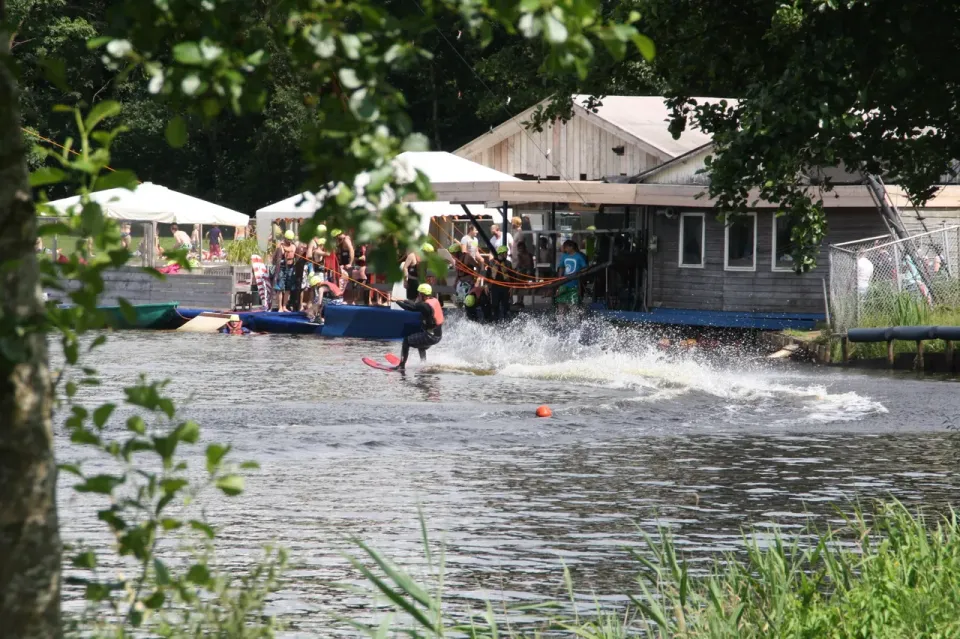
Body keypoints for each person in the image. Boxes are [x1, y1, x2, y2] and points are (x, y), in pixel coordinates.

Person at [393, 283, 443, 371]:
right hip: (438, 336)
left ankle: (401, 366)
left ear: (422, 294)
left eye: (419, 293)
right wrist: (403, 300)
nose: (418, 295)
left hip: (430, 336)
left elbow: (410, 307)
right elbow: (415, 305)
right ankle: (423, 364)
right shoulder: (434, 300)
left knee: (406, 341)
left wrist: (396, 301)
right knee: (421, 345)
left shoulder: (424, 306)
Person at [556, 239, 587, 313]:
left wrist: (579, 273)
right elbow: (561, 267)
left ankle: (574, 319)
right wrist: (559, 280)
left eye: (566, 248)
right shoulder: (564, 256)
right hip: (564, 283)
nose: (564, 249)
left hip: (575, 284)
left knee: (573, 305)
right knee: (561, 303)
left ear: (571, 247)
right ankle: (561, 318)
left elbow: (585, 268)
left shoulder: (579, 256)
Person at [272, 230, 297, 312]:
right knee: (280, 288)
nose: (289, 241)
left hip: (291, 268)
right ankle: (280, 307)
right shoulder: (280, 246)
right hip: (281, 268)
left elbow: (296, 258)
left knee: (288, 288)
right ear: (285, 238)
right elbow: (274, 258)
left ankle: (284, 306)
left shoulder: (293, 247)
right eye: (288, 239)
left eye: (291, 239)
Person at [489, 245, 512, 321]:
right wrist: (486, 285)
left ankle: (506, 321)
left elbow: (512, 276)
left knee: (505, 305)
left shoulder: (508, 263)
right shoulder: (492, 262)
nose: (507, 254)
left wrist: (512, 287)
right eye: (505, 253)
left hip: (505, 287)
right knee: (495, 305)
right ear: (501, 253)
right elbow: (488, 275)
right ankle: (495, 320)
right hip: (495, 286)